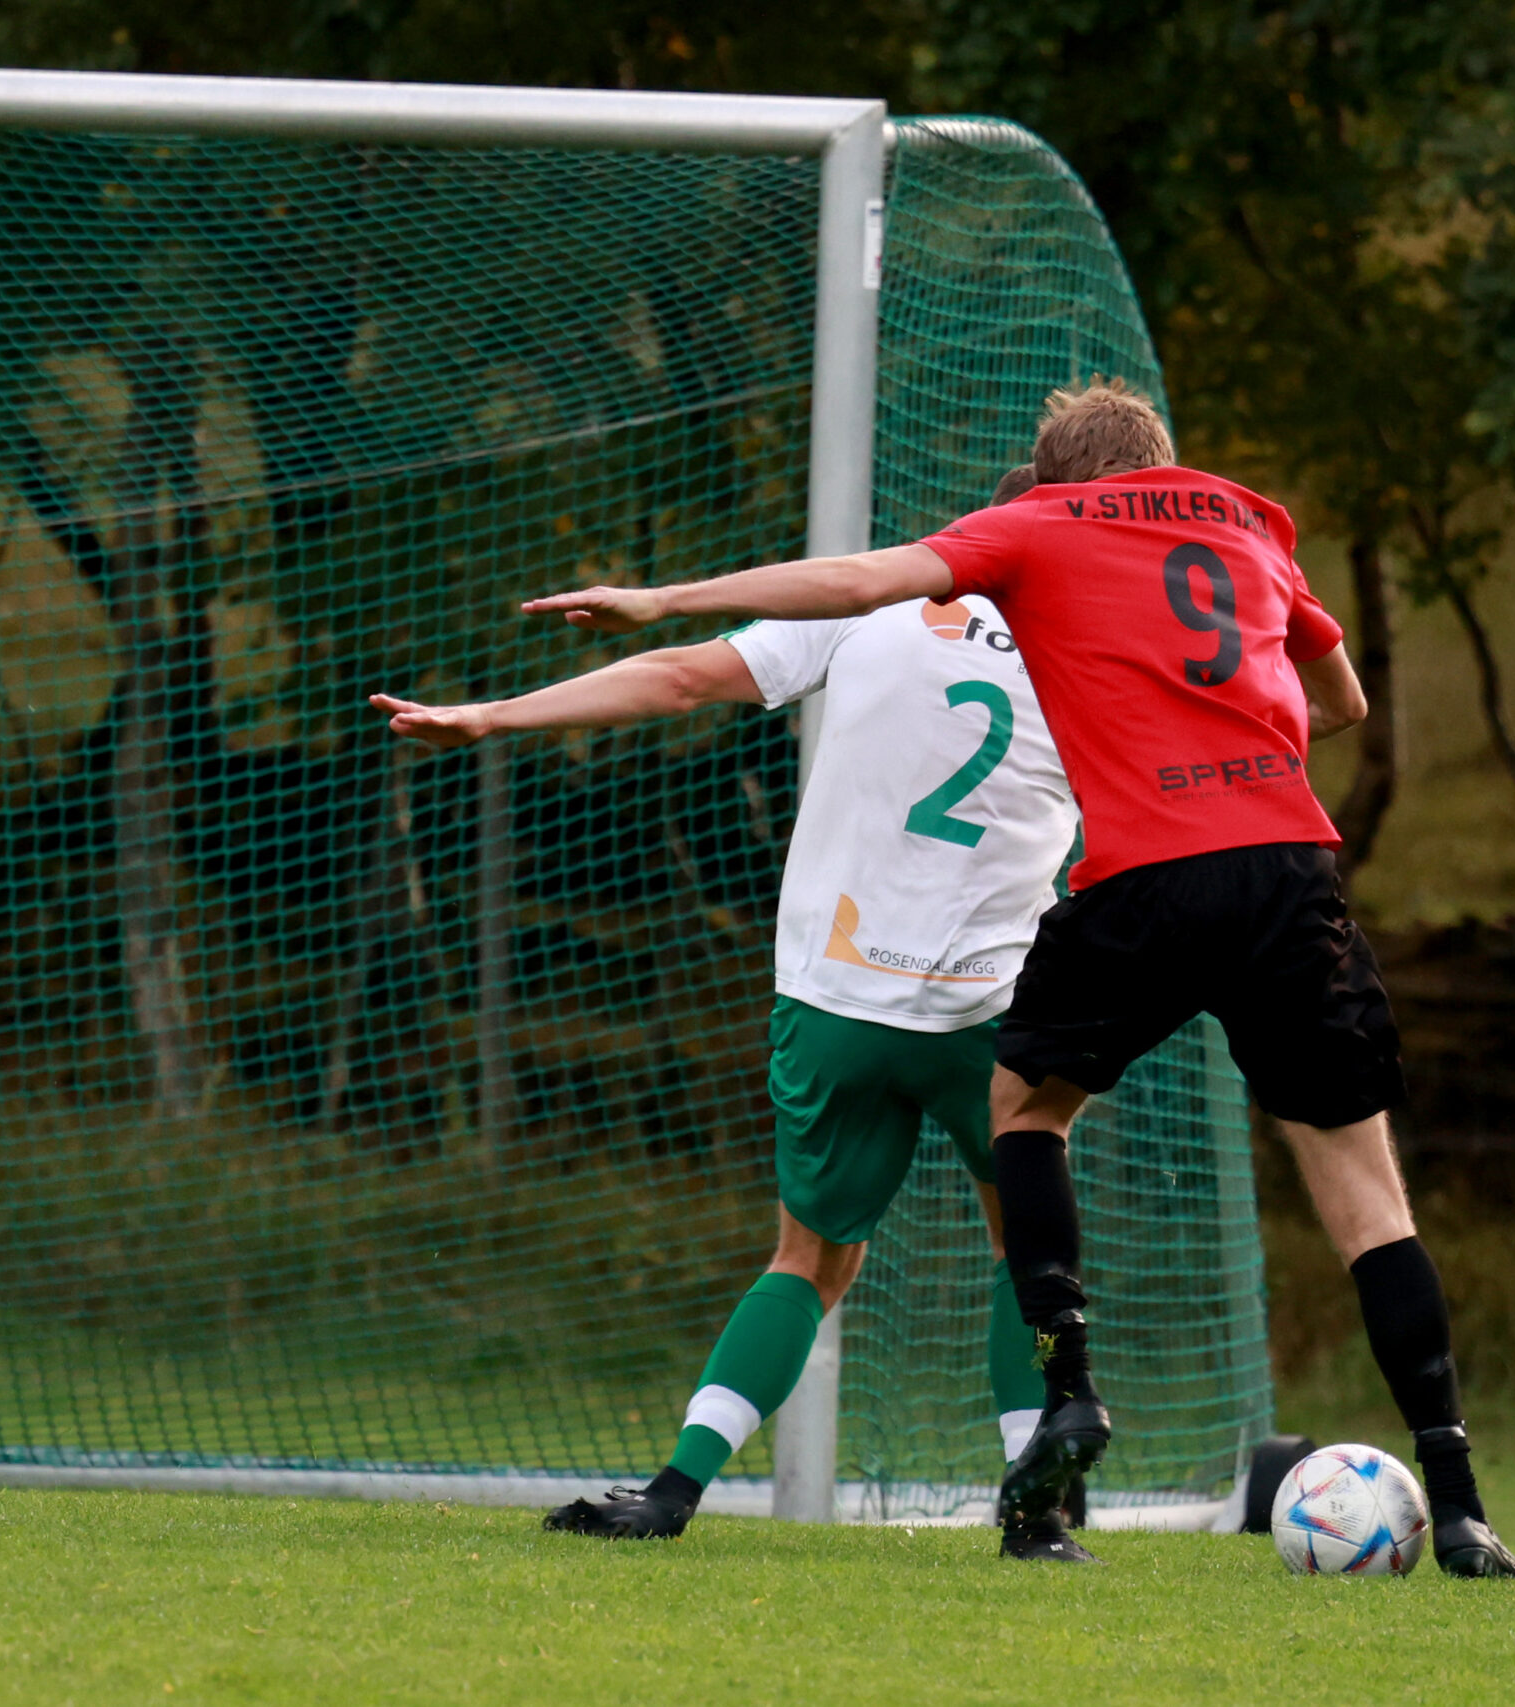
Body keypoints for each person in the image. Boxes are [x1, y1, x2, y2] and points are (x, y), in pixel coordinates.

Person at [515, 381, 1515, 1578]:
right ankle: (1455, 1505)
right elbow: (1341, 700)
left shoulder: (1036, 532)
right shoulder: (1247, 528)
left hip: (994, 932)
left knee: (1009, 1128)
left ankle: (1067, 1401)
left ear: (1053, 486)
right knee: (1367, 1198)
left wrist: (656, 598)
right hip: (1273, 875)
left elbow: (830, 592)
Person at [373, 466, 1103, 1561]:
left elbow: (675, 679)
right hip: (990, 1012)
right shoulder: (1096, 653)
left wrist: (489, 717)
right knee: (1023, 1247)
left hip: (839, 996)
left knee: (808, 1259)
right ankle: (1033, 1510)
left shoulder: (874, 606)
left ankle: (672, 1489)